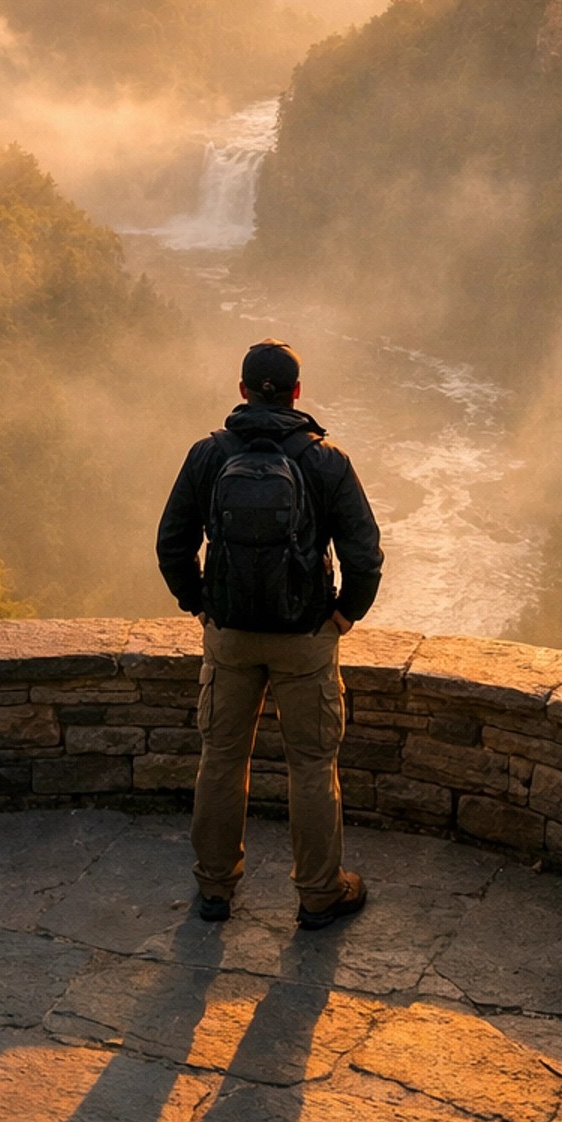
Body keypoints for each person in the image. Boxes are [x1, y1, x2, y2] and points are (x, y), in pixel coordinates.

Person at [157, 338, 383, 928]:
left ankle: (213, 889)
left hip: (230, 635)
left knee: (222, 758)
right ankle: (318, 893)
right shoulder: (326, 460)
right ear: (297, 393)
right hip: (304, 638)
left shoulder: (209, 455)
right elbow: (366, 553)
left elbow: (172, 544)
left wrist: (199, 604)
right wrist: (343, 615)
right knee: (311, 764)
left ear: (241, 391)